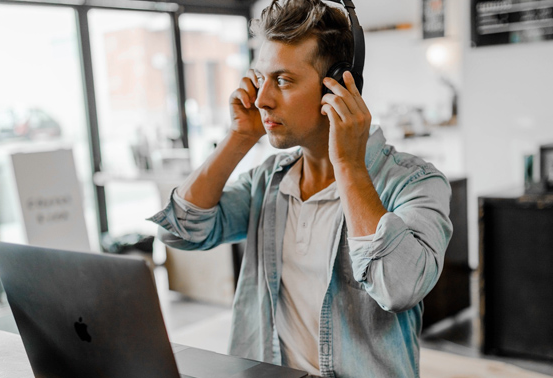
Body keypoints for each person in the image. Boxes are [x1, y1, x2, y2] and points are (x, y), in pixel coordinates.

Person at [148, 0, 452, 376]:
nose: (261, 100)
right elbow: (178, 230)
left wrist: (349, 165)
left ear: (338, 86)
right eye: (261, 79)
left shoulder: (414, 182)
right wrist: (238, 138)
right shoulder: (269, 179)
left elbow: (399, 288)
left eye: (283, 80)